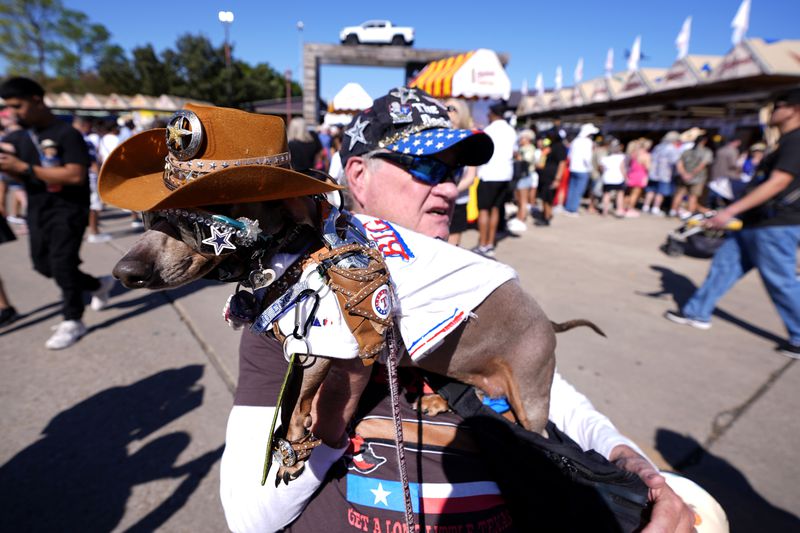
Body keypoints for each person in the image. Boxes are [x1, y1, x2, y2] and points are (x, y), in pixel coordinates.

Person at [220, 86, 693, 532]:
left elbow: (545, 385)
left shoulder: (471, 279)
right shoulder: (294, 307)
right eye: (425, 166)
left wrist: (626, 457)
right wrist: (335, 406)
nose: (449, 188)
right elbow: (249, 518)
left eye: (454, 171)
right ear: (359, 175)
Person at [665, 89, 800, 359]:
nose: (772, 110)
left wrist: (730, 211)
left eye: (779, 105)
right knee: (723, 268)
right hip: (754, 223)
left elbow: (780, 182)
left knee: (781, 281)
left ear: (795, 109)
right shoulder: (784, 141)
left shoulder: (796, 141)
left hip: (775, 225)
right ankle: (696, 312)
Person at [0, 77, 115, 349]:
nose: (13, 112)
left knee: (63, 264)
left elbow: (75, 175)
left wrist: (25, 168)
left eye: (18, 105)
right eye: (9, 107)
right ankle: (97, 285)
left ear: (36, 100)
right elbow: (7, 169)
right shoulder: (18, 137)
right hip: (37, 209)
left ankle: (73, 319)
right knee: (43, 265)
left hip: (69, 209)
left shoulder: (66, 134)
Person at [474, 101, 516, 257]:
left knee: (484, 210)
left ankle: (483, 243)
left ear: (492, 113)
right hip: (505, 174)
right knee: (496, 209)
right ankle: (490, 243)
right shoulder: (511, 130)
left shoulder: (489, 130)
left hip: (489, 174)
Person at [444, 98, 478, 246]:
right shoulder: (436, 138)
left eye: (452, 108)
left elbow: (470, 177)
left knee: (452, 246)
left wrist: (450, 191)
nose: (447, 111)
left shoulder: (469, 141)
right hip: (438, 199)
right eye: (445, 107)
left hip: (458, 200)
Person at [72, 116, 111, 243]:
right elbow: (93, 163)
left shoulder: (67, 139)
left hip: (72, 178)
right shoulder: (85, 141)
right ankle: (93, 232)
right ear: (84, 125)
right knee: (94, 205)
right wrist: (102, 179)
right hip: (89, 177)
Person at [670, 133, 713, 218]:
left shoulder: (687, 151)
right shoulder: (706, 152)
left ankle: (673, 211)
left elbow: (679, 164)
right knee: (693, 196)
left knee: (679, 194)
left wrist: (684, 174)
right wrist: (691, 174)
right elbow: (702, 165)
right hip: (697, 178)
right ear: (704, 141)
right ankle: (689, 213)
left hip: (684, 177)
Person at [642, 131, 682, 216]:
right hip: (665, 174)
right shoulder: (672, 149)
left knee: (651, 190)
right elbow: (676, 162)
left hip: (653, 173)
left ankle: (646, 206)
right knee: (660, 192)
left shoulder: (658, 147)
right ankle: (655, 208)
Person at [564, 123, 598, 216]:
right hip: (583, 170)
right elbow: (587, 158)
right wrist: (590, 168)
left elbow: (569, 155)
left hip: (573, 168)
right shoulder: (588, 142)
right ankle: (573, 209)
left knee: (572, 189)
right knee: (578, 190)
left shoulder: (575, 141)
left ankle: (568, 207)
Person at [506, 129, 537, 234]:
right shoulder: (523, 148)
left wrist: (518, 156)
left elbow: (526, 160)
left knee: (523, 200)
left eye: (522, 138)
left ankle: (521, 219)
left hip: (525, 177)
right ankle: (519, 217)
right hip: (521, 177)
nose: (520, 140)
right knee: (519, 199)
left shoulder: (529, 148)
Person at [535, 132, 567, 226]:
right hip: (544, 176)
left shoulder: (559, 147)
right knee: (544, 197)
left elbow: (562, 163)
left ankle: (547, 217)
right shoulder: (549, 146)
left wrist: (557, 178)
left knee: (548, 197)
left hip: (551, 177)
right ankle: (545, 214)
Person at [624, 138, 652, 217]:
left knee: (628, 193)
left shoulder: (634, 153)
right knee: (635, 194)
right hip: (640, 176)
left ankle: (624, 208)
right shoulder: (646, 155)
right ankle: (630, 209)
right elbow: (648, 167)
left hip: (631, 174)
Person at [600, 139, 627, 217]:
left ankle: (605, 211)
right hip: (618, 179)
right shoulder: (621, 157)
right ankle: (619, 210)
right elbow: (622, 168)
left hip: (607, 179)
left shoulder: (605, 158)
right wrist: (625, 177)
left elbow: (602, 169)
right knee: (620, 194)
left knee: (606, 194)